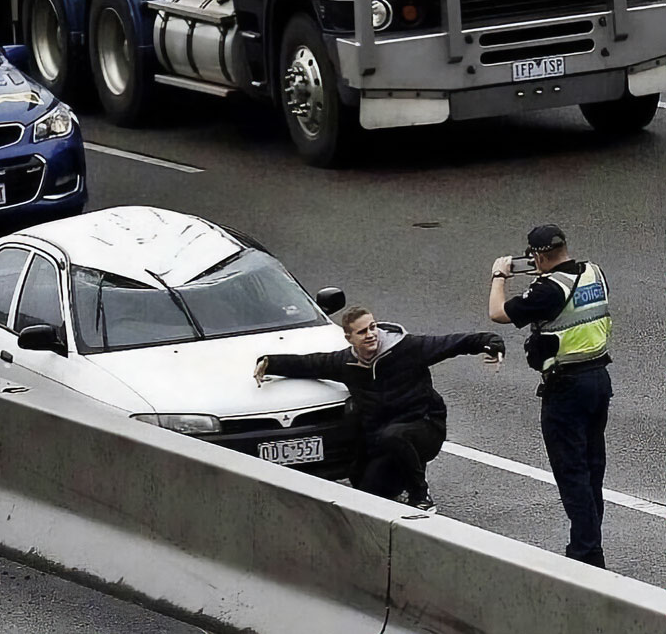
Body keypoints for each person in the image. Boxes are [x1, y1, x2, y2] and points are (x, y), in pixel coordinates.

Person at [254, 306, 505, 512]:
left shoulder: (407, 348)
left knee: (395, 436)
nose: (371, 334)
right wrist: (270, 362)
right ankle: (398, 476)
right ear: (349, 338)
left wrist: (492, 343)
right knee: (368, 492)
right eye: (362, 332)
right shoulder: (346, 363)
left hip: (425, 427)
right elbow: (311, 364)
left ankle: (421, 494)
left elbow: (455, 343)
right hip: (385, 439)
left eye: (373, 327)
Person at [488, 224, 612, 568]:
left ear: (539, 255)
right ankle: (587, 542)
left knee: (572, 473)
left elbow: (497, 313)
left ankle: (587, 555)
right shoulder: (594, 273)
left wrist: (499, 276)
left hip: (566, 387)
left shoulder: (548, 289)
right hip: (598, 378)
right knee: (592, 469)